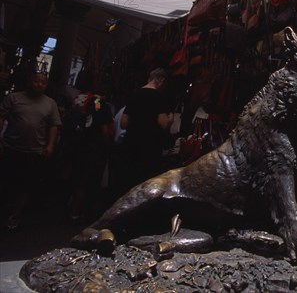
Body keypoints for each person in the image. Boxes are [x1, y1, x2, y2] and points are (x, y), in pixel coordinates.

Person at [0, 70, 62, 230]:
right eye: (36, 81)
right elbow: (1, 118)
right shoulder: (14, 98)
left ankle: (15, 214)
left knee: (25, 184)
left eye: (43, 82)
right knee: (7, 180)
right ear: (29, 82)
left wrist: (50, 146)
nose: (39, 84)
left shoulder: (50, 103)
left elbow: (53, 126)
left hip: (34, 150)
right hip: (11, 147)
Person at [61, 82, 114, 221]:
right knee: (84, 180)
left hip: (74, 145)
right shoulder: (98, 102)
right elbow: (103, 127)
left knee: (73, 174)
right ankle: (75, 211)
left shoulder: (76, 99)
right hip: (91, 147)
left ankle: (65, 205)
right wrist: (106, 145)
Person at [120, 68, 173, 192]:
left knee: (128, 185)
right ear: (161, 80)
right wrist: (170, 119)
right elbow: (163, 124)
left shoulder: (134, 93)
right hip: (149, 149)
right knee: (144, 187)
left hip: (130, 145)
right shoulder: (160, 97)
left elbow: (123, 123)